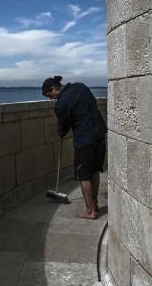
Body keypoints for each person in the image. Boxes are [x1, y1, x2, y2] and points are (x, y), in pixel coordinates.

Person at [42, 75, 106, 219]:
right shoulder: (80, 86)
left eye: (49, 95)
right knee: (94, 171)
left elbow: (62, 128)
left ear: (54, 89)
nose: (51, 99)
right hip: (99, 134)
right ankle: (94, 204)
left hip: (84, 140)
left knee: (83, 175)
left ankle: (90, 211)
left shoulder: (62, 103)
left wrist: (61, 132)